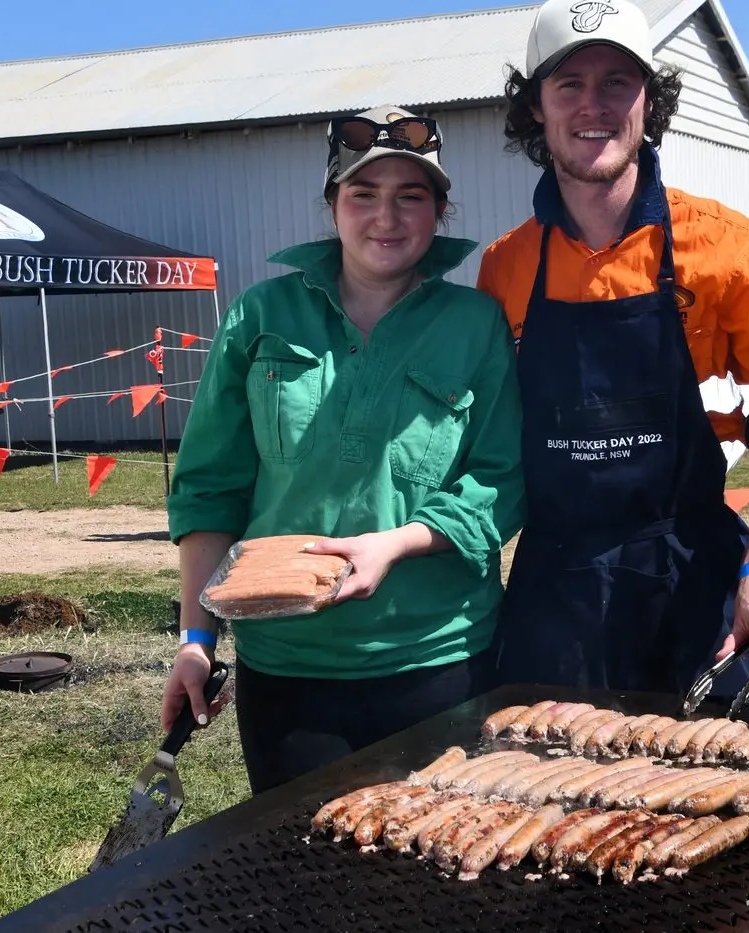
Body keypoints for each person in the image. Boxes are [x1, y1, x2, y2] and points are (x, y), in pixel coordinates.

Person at [162, 106, 524, 794]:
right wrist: (197, 640)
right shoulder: (260, 315)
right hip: (288, 663)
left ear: (439, 210)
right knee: (304, 873)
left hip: (440, 653)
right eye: (363, 194)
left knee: (442, 866)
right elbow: (209, 487)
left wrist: (396, 544)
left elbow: (500, 481)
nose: (385, 217)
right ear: (332, 205)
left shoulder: (474, 323)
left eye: (410, 196)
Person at [477, 0, 749, 697]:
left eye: (618, 81)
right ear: (535, 109)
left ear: (650, 100)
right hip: (555, 587)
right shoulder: (505, 267)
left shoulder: (736, 249)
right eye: (568, 84)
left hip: (691, 574)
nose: (595, 104)